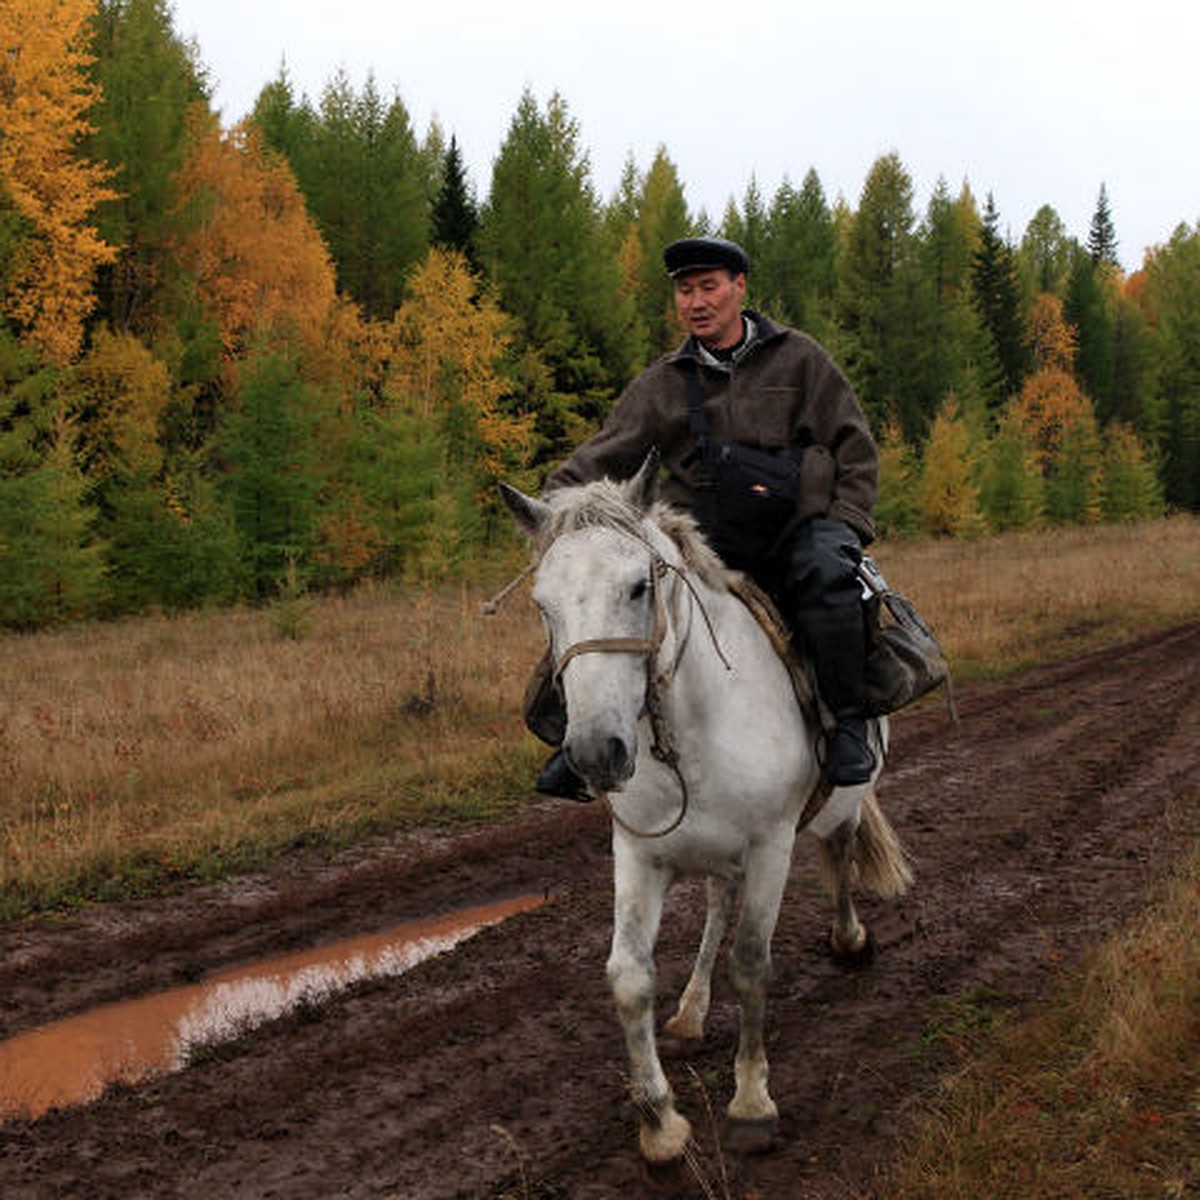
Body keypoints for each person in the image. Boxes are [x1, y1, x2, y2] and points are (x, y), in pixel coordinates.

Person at [530, 235, 880, 797]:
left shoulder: (802, 359)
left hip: (797, 531)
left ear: (739, 288)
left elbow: (855, 448)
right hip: (703, 541)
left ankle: (849, 727)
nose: (696, 301)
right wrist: (557, 516)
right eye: (685, 291)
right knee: (596, 597)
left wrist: (847, 524)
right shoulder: (660, 386)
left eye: (709, 287)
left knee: (829, 578)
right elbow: (594, 461)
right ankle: (573, 738)